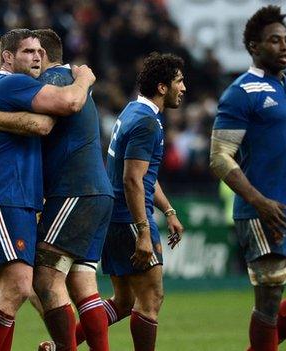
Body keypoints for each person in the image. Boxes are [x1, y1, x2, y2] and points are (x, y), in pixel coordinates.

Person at [0, 28, 114, 351]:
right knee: (81, 283)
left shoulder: (59, 81)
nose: (35, 58)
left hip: (73, 190)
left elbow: (52, 116)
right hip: (92, 190)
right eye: (27, 53)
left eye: (37, 53)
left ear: (46, 57)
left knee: (43, 279)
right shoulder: (44, 81)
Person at [209, 6, 286, 351]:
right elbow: (219, 157)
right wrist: (259, 202)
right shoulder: (240, 93)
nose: (285, 46)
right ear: (254, 46)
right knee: (270, 297)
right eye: (274, 41)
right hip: (262, 213)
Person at [100, 52, 185, 351]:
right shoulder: (146, 123)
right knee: (151, 299)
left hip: (115, 217)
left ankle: (62, 344)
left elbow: (143, 173)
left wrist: (168, 210)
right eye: (179, 81)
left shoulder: (132, 112)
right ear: (162, 87)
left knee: (123, 302)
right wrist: (144, 232)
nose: (183, 88)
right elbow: (132, 180)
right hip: (130, 218)